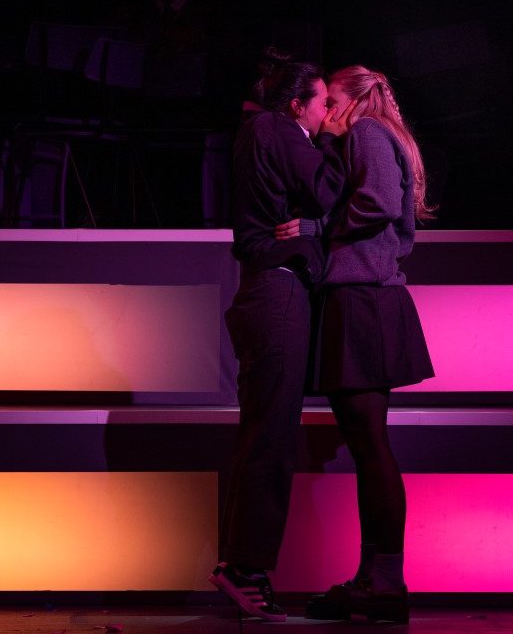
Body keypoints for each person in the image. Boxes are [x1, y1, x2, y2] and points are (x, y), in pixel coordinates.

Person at [281, 65, 435, 624]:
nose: (325, 113)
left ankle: (384, 582)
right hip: (369, 295)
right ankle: (378, 577)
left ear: (354, 101)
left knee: (370, 444)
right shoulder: (379, 135)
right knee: (369, 442)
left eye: (332, 102)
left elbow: (374, 201)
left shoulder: (368, 133)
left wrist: (314, 229)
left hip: (363, 298)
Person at [208, 58, 344, 621]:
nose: (329, 113)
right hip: (276, 291)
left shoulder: (266, 131)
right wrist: (337, 142)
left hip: (274, 289)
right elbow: (328, 186)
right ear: (297, 105)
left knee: (268, 429)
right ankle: (244, 569)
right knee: (272, 432)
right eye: (323, 103)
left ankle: (244, 565)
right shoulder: (277, 129)